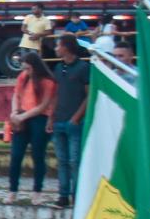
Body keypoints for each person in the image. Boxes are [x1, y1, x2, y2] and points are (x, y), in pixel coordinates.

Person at [7, 52, 56, 205]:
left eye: (28, 68)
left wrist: (22, 116)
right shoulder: (23, 77)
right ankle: (12, 190)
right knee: (16, 155)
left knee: (38, 155)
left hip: (39, 118)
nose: (26, 71)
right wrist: (15, 112)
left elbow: (43, 106)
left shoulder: (48, 81)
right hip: (22, 115)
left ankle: (37, 191)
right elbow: (16, 95)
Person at [52, 34, 90, 208]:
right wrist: (51, 117)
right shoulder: (59, 68)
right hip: (59, 119)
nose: (55, 49)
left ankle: (77, 195)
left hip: (74, 121)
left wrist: (76, 117)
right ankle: (63, 195)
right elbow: (56, 94)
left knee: (75, 161)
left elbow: (88, 95)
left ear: (66, 47)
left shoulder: (83, 68)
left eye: (58, 45)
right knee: (62, 161)